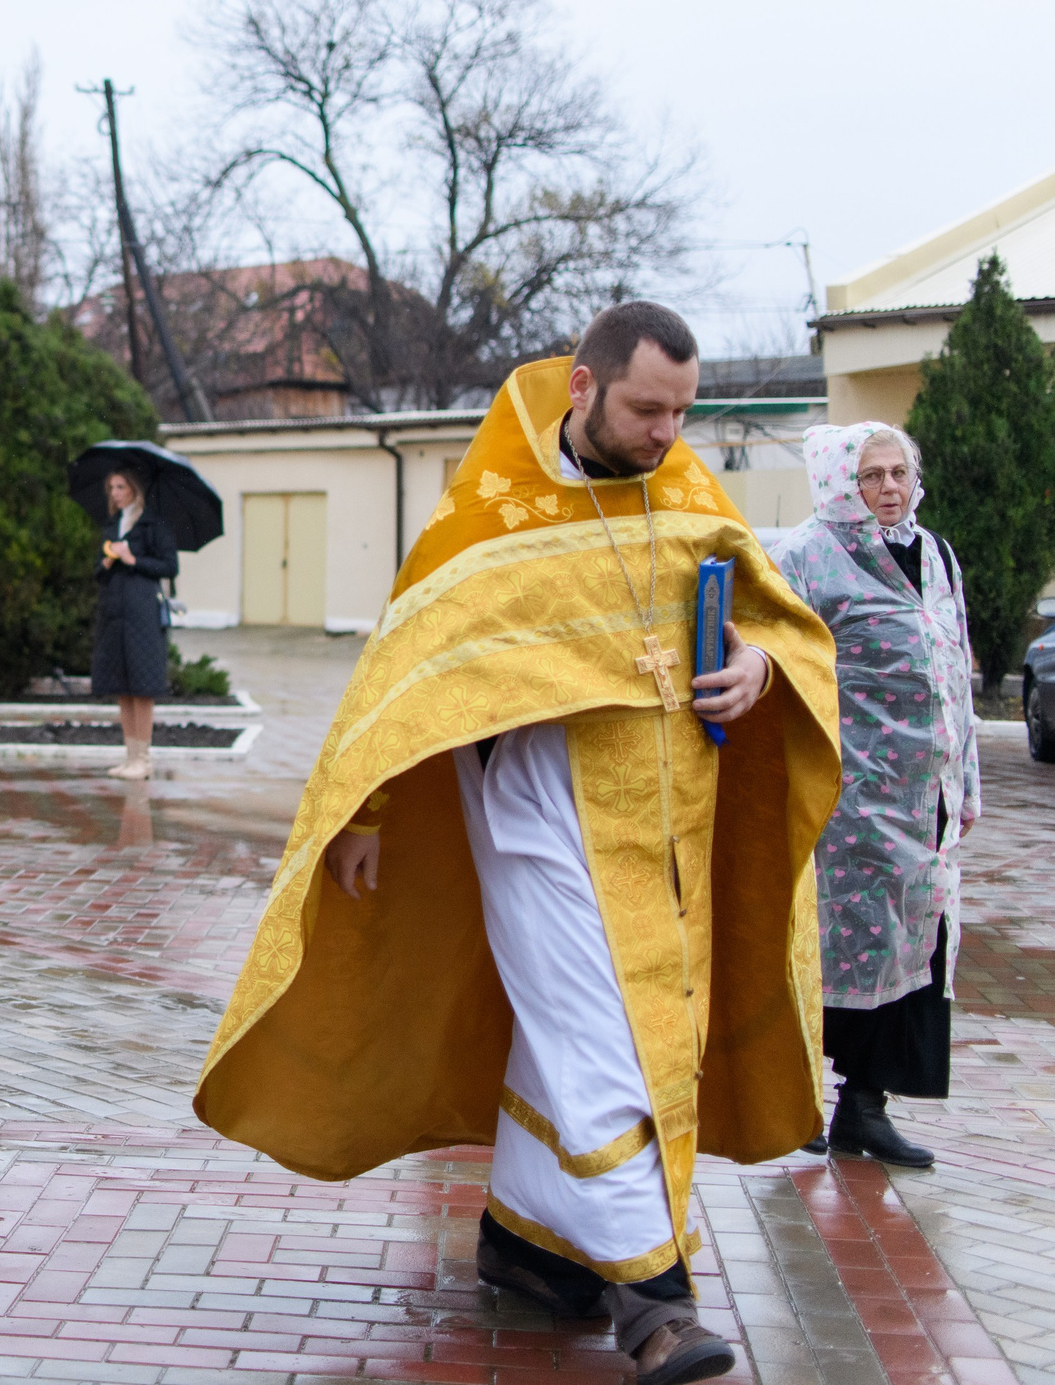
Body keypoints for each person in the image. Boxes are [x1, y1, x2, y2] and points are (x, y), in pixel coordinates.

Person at [194, 303, 840, 1385]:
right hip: (542, 816)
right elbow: (410, 668)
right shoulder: (492, 510)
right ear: (584, 388)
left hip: (672, 833)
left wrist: (759, 665)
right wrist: (366, 811)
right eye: (647, 409)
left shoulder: (683, 486)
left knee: (591, 1036)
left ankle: (527, 1245)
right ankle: (656, 1300)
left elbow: (775, 616)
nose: (667, 434)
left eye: (682, 412)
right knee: (603, 1042)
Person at [773, 424, 977, 1170]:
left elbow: (957, 667)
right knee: (827, 944)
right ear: (839, 481)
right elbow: (775, 663)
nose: (890, 487)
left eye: (900, 472)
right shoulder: (806, 556)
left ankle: (865, 1105)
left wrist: (967, 781)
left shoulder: (935, 554)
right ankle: (791, 1099)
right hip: (846, 794)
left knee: (913, 945)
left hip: (927, 795)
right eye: (872, 475)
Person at [92, 468, 179, 781]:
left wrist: (133, 560)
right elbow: (97, 571)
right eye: (111, 487)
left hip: (143, 614)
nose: (115, 493)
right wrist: (106, 562)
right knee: (122, 686)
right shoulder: (112, 524)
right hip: (114, 614)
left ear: (134, 488)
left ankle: (143, 759)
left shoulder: (153, 523)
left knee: (142, 687)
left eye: (120, 486)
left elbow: (170, 566)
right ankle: (130, 757)